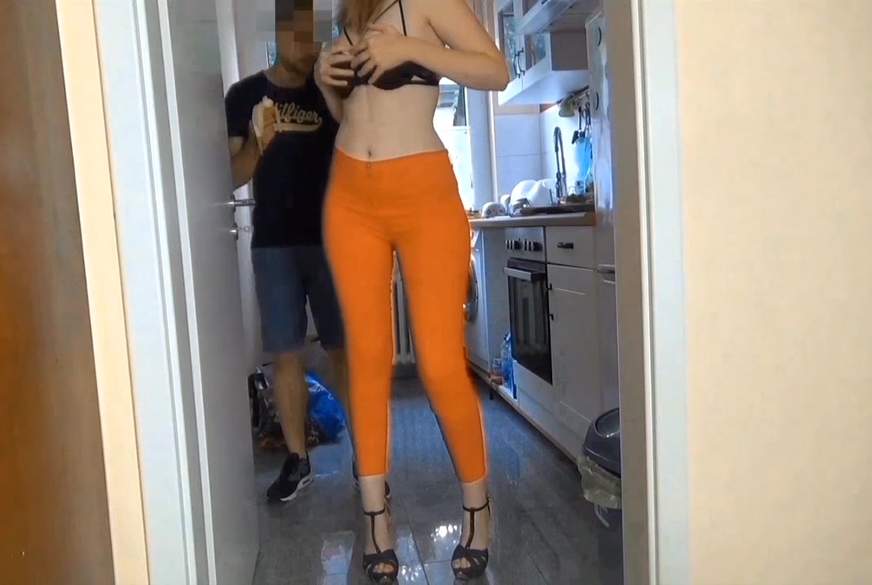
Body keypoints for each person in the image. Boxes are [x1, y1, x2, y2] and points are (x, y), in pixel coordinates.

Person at [315, 0, 509, 581]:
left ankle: (477, 508)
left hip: (424, 192)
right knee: (367, 359)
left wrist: (410, 49)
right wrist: (326, 83)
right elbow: (351, 113)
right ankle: (376, 517)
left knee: (441, 363)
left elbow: (495, 71)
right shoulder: (349, 10)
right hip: (350, 194)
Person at [225, 2, 349, 503]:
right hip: (273, 243)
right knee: (286, 353)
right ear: (278, 33)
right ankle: (298, 461)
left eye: (316, 34)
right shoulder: (244, 95)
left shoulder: (331, 93)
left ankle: (368, 458)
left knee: (345, 349)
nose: (310, 44)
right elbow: (231, 175)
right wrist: (259, 144)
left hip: (334, 239)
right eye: (299, 33)